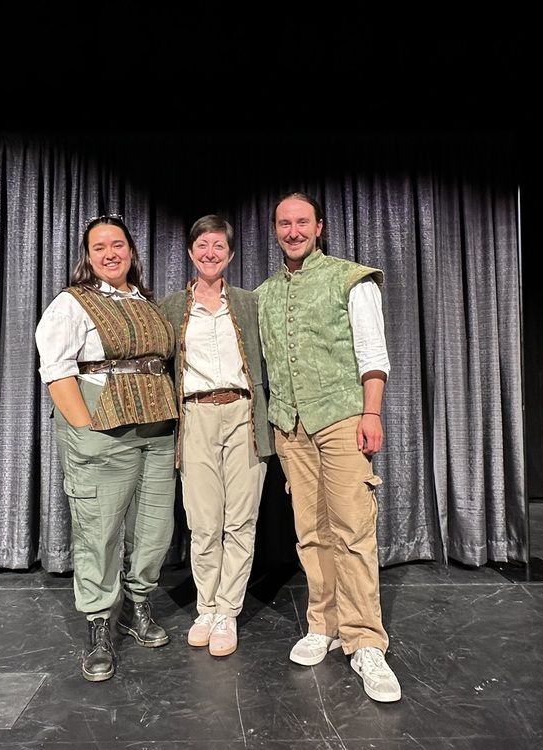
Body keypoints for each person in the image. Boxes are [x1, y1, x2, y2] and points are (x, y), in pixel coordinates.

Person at [255, 191, 401, 703]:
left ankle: (365, 640)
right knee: (310, 533)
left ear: (319, 226)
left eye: (302, 222)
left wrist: (372, 412)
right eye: (283, 223)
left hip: (341, 418)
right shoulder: (267, 292)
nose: (292, 231)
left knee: (353, 530)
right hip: (290, 426)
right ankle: (324, 623)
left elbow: (373, 351)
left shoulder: (350, 278)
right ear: (275, 229)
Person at [35, 214, 179, 683]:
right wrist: (85, 426)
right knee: (99, 531)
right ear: (88, 256)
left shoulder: (146, 302)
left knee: (154, 530)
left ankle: (137, 609)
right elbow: (56, 370)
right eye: (100, 247)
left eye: (118, 244)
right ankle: (99, 622)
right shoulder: (72, 303)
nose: (111, 253)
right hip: (101, 425)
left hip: (156, 428)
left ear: (132, 251)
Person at [160, 215, 273, 657]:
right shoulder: (171, 307)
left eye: (218, 246)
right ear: (191, 252)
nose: (210, 253)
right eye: (202, 245)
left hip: (244, 412)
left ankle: (228, 610)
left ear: (230, 254)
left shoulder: (248, 302)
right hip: (195, 415)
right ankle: (205, 607)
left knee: (240, 520)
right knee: (203, 521)